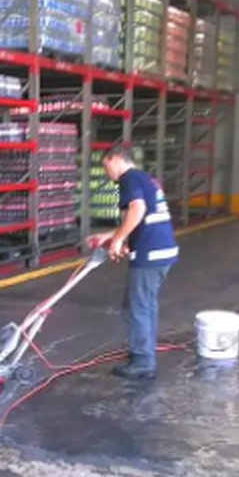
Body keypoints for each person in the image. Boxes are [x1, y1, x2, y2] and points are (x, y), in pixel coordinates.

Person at [86, 145, 179, 380]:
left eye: (105, 166)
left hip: (150, 254)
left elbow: (138, 209)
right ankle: (144, 352)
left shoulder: (128, 178)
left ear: (114, 159)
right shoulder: (145, 178)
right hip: (162, 251)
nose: (106, 172)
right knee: (145, 305)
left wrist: (118, 240)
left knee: (137, 307)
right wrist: (110, 236)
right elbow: (141, 218)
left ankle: (143, 362)